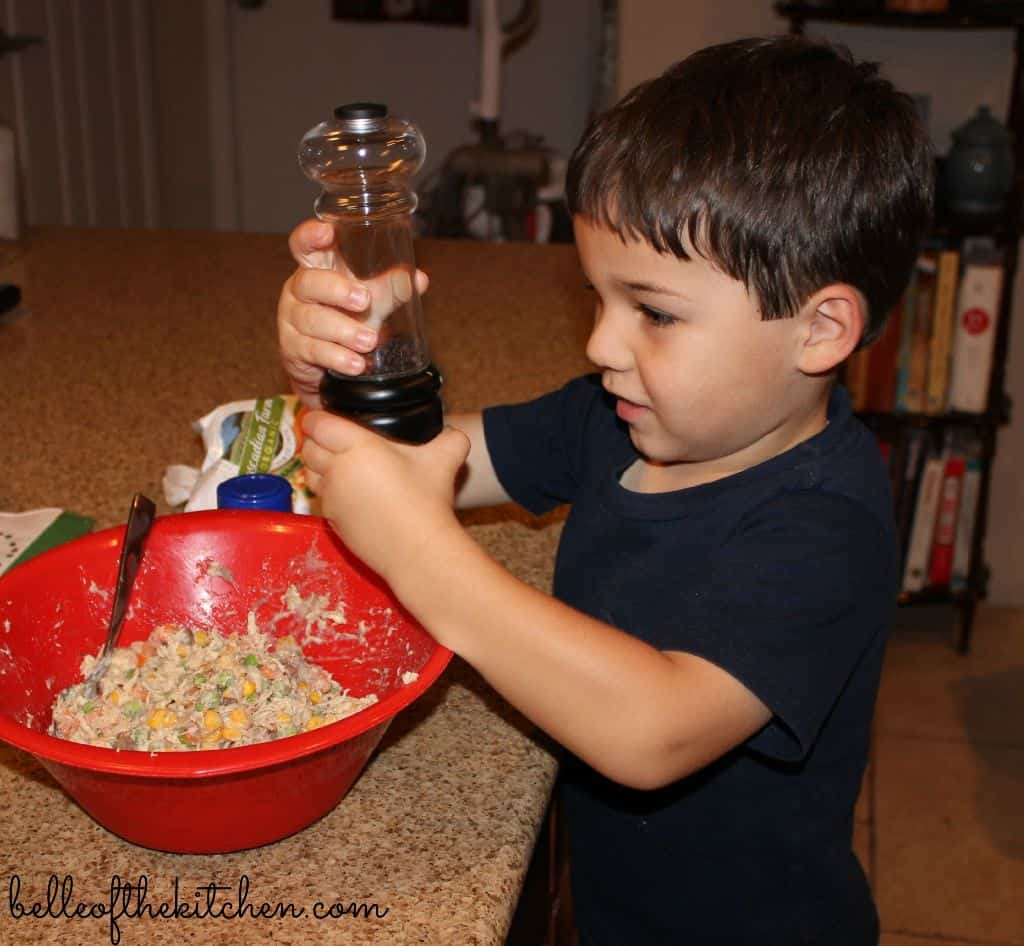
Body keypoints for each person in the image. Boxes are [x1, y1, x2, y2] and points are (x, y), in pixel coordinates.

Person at [277, 35, 933, 946]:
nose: (600, 346)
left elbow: (652, 730)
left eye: (653, 312)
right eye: (596, 298)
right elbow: (407, 461)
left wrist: (422, 553)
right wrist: (341, 364)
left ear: (820, 331)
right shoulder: (615, 416)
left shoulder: (827, 529)